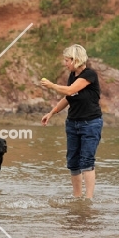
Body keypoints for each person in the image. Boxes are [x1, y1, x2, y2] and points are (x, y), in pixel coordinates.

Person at [41, 44, 103, 200]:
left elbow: (69, 90)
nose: (65, 63)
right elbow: (68, 97)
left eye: (67, 60)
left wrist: (51, 85)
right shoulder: (72, 76)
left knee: (87, 161)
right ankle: (77, 198)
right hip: (72, 123)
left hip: (90, 123)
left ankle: (88, 199)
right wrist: (52, 113)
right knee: (73, 162)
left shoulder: (90, 75)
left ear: (76, 59)